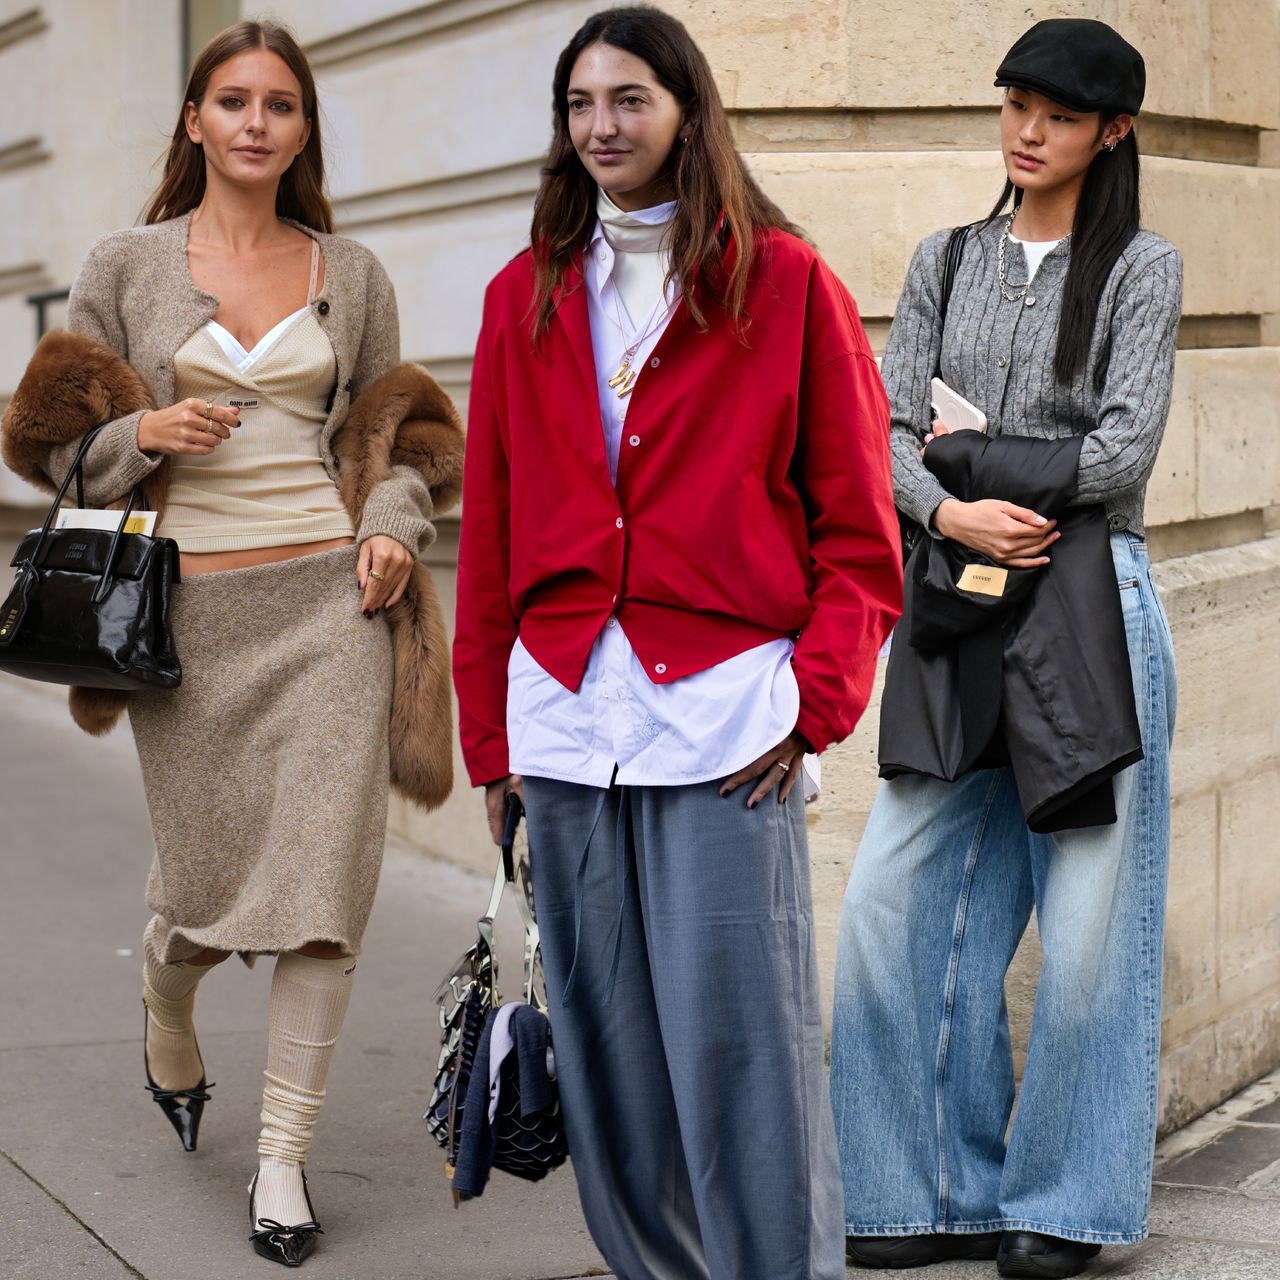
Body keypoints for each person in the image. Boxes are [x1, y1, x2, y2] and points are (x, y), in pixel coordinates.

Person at [1, 19, 462, 1269]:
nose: (257, 122)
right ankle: (167, 982)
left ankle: (280, 1164)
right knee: (205, 897)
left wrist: (386, 528)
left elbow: (405, 434)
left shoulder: (348, 271)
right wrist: (143, 433)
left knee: (322, 896)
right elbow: (48, 445)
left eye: (281, 105)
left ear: (304, 130)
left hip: (331, 612)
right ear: (195, 121)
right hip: (182, 624)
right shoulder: (126, 264)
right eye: (234, 100)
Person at [451, 7, 902, 1278]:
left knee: (740, 1055)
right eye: (581, 104)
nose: (602, 126)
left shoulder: (785, 283)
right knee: (607, 1063)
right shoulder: (519, 295)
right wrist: (489, 739)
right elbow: (488, 535)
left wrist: (809, 709)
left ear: (685, 111)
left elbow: (861, 535)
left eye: (629, 100)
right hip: (560, 716)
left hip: (721, 722)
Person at [828, 19, 1181, 1280]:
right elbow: (883, 432)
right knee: (887, 902)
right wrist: (945, 500)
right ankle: (926, 1186)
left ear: (1111, 131)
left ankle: (1067, 1202)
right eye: (1014, 104)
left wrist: (960, 456)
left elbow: (1124, 454)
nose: (1026, 130)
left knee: (1089, 923)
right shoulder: (943, 259)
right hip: (954, 600)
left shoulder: (1141, 268)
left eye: (1057, 113)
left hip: (1091, 609)